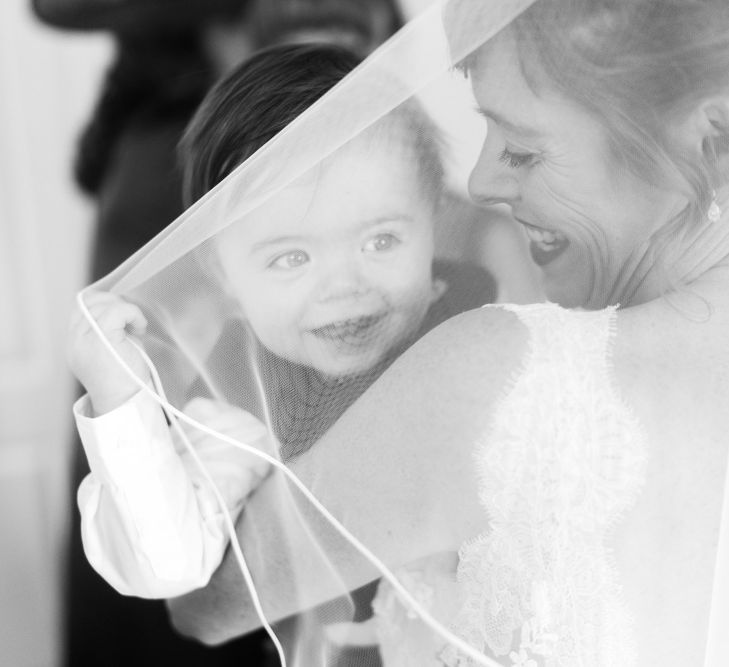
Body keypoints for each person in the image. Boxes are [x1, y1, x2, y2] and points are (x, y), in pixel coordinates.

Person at [158, 1, 729, 665]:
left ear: (709, 141)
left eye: (521, 148)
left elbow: (204, 606)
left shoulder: (499, 378)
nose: (480, 182)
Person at [68, 43, 496, 600]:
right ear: (226, 279)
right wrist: (120, 400)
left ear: (433, 220)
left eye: (381, 239)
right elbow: (169, 565)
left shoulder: (475, 306)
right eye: (291, 258)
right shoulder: (245, 398)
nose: (345, 286)